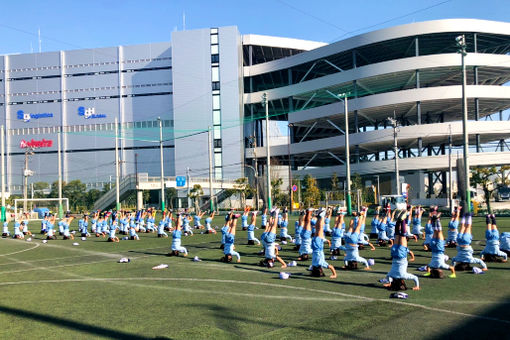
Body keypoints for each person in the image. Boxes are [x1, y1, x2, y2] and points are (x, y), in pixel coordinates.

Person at [382, 226, 420, 291]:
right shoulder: (391, 274)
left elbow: (415, 278)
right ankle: (399, 220)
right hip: (394, 254)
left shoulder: (403, 276)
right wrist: (389, 283)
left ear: (402, 282)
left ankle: (403, 220)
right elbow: (388, 276)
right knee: (397, 234)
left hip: (401, 256)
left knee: (402, 235)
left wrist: (417, 286)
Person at [424, 211, 456, 278]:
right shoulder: (432, 265)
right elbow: (428, 267)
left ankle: (437, 220)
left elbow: (452, 268)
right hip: (433, 248)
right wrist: (428, 272)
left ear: (439, 271)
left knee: (439, 232)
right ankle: (434, 220)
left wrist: (453, 274)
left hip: (439, 249)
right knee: (435, 232)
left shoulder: (442, 266)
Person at [311, 208, 337, 278]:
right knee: (318, 229)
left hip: (318, 247)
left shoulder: (320, 264)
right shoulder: (314, 264)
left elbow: (331, 266)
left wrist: (334, 274)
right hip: (314, 247)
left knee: (320, 229)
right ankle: (320, 217)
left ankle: (321, 216)